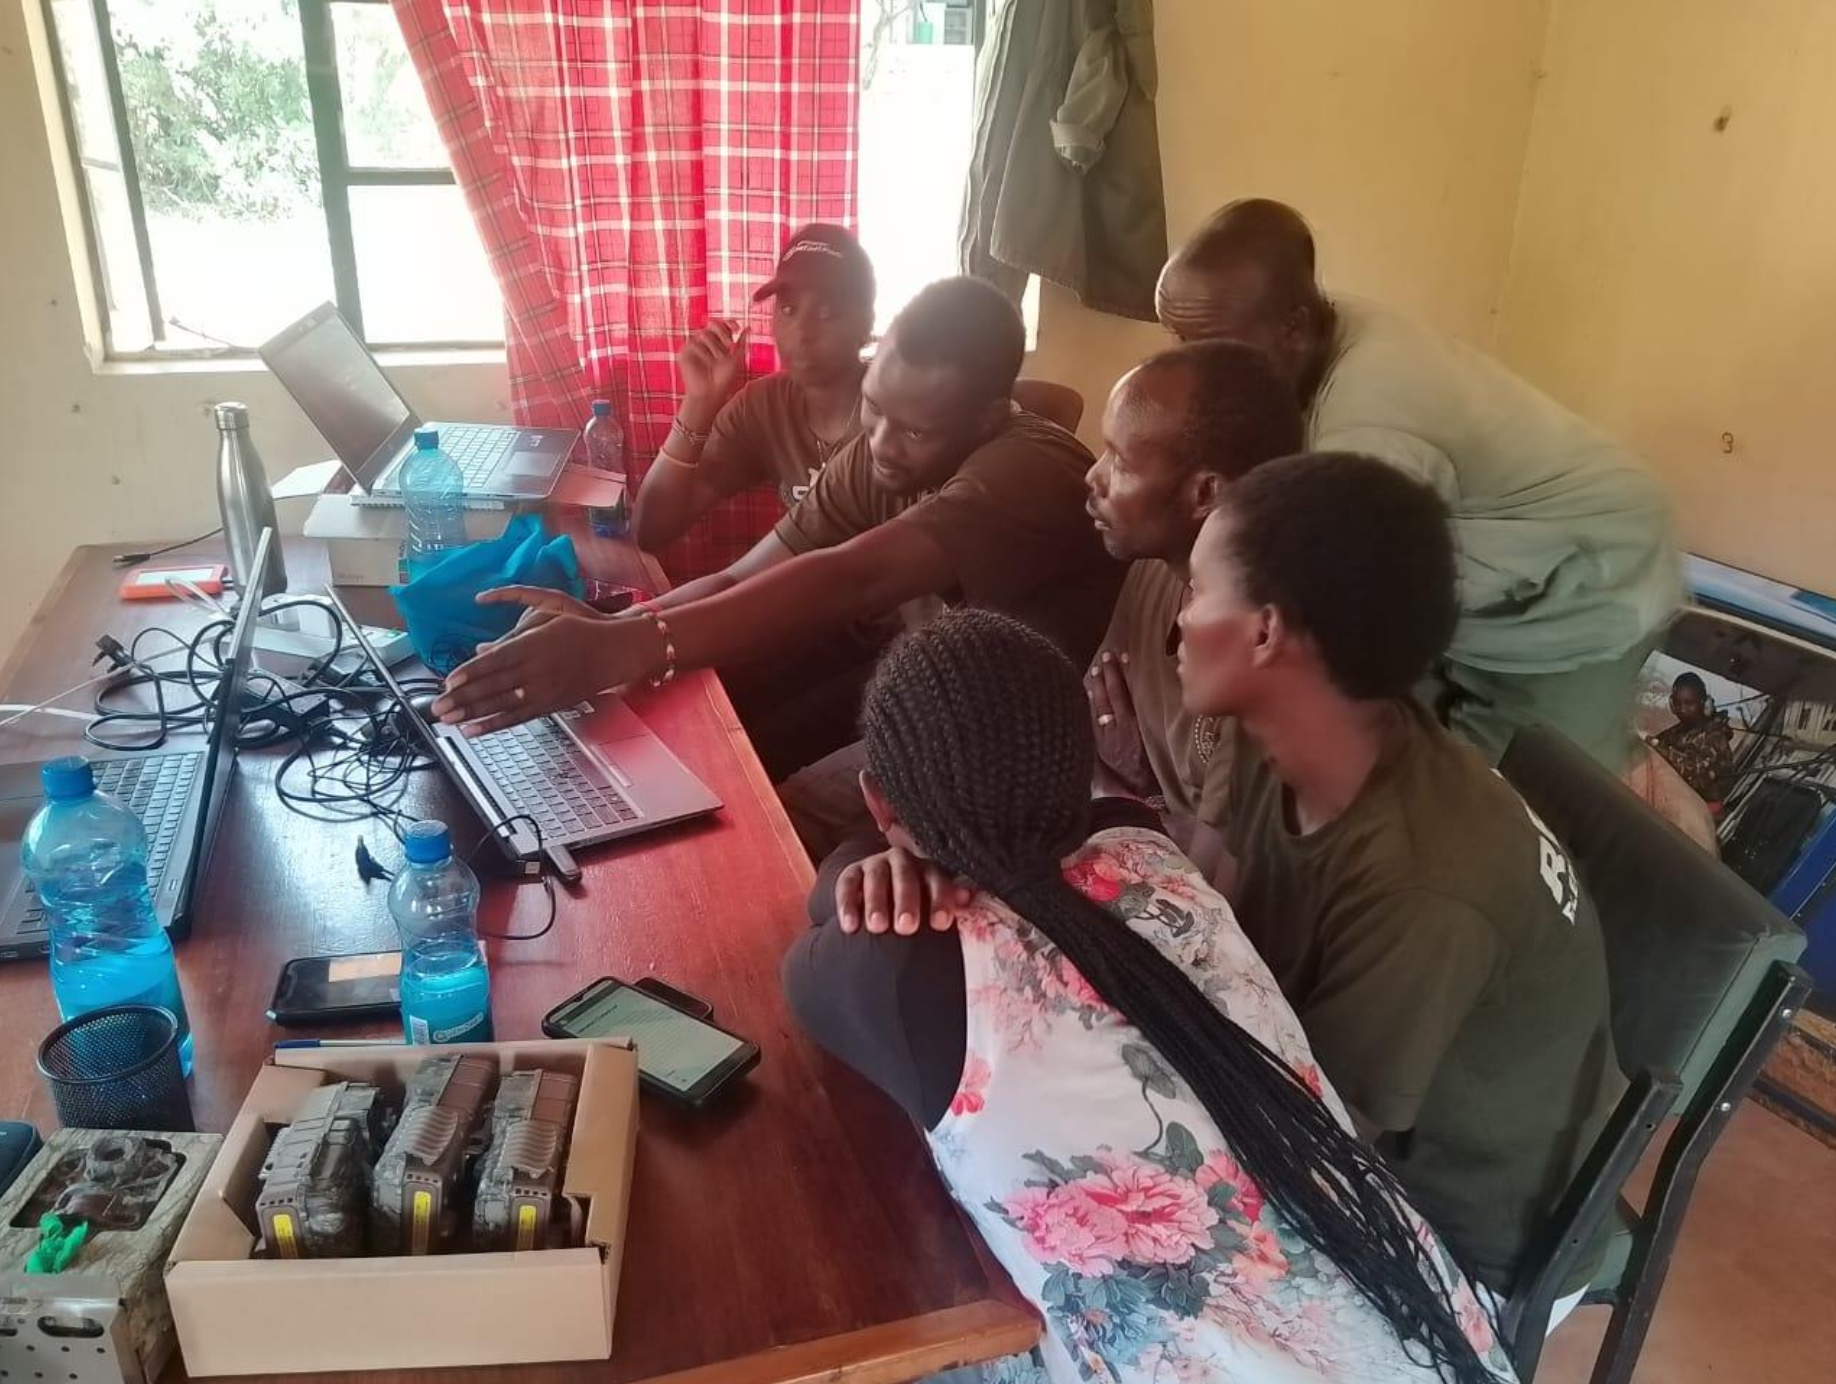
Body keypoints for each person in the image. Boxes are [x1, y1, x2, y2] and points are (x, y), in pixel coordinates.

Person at [837, 456, 1621, 1302]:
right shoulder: (1279, 732)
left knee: (1012, 1245)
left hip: (1452, 1238)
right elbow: (1198, 920)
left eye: (1199, 591)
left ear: (1265, 634)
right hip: (1306, 1094)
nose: (1177, 623)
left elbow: (1321, 1136)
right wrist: (934, 846)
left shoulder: (1426, 885)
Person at [784, 608, 1514, 1384]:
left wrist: (865, 864)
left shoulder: (902, 967)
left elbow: (808, 947)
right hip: (1431, 1336)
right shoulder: (1147, 849)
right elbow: (1109, 810)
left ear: (879, 802)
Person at [432, 278, 1124, 770]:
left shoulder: (1027, 469)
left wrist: (624, 648)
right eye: (874, 407)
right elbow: (742, 576)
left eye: (915, 431)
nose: (881, 444)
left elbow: (853, 576)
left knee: (784, 805)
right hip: (921, 672)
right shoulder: (880, 450)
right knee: (719, 735)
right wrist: (610, 630)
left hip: (1022, 726)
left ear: (988, 418)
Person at [1155, 198, 1681, 772]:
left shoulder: (1370, 421)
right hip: (1501, 559)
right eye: (1178, 337)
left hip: (1594, 580)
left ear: (1294, 328)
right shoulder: (1306, 329)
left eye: (1210, 345)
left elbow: (1338, 607)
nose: (1191, 365)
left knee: (1522, 783)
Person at [1081, 339, 1304, 873]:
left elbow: (1212, 893)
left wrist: (1132, 792)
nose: (1094, 476)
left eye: (1121, 462)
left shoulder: (1268, 656)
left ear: (1205, 493)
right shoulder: (1155, 561)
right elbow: (1091, 731)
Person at [630, 223, 877, 554]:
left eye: (827, 313)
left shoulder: (900, 412)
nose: (802, 332)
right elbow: (650, 531)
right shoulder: (762, 407)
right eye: (788, 310)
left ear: (866, 324)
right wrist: (699, 403)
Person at [1649, 671, 1737, 810]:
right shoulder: (1678, 731)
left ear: (1704, 703)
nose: (1682, 709)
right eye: (1677, 703)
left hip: (1700, 810)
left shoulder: (1715, 736)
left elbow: (1696, 775)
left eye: (1689, 703)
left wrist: (1660, 748)